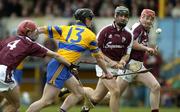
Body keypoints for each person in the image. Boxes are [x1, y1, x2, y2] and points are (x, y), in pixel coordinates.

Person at [26, 8, 119, 112]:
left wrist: (31, 35)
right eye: (90, 19)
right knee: (47, 101)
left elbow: (42, 29)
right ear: (86, 19)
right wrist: (107, 72)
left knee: (78, 93)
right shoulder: (90, 35)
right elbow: (99, 58)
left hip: (64, 66)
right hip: (60, 66)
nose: (91, 21)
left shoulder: (66, 29)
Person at [59, 6, 133, 112]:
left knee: (97, 97)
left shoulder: (129, 34)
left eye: (126, 16)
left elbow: (127, 54)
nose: (123, 18)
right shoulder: (105, 31)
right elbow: (97, 51)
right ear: (115, 16)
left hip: (116, 67)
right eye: (120, 15)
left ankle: (79, 96)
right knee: (115, 91)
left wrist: (122, 61)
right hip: (103, 66)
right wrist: (110, 62)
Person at [0, 20, 76, 112]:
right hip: (5, 72)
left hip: (5, 72)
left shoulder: (10, 39)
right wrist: (71, 65)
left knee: (13, 104)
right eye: (34, 31)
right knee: (15, 105)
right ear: (28, 32)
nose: (36, 34)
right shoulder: (30, 44)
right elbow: (56, 55)